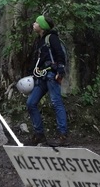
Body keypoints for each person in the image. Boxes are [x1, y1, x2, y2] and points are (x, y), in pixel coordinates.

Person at [25, 15, 69, 146]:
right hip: (42, 76)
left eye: (36, 22)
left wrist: (60, 70)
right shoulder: (40, 40)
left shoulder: (52, 38)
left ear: (42, 26)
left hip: (51, 75)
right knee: (31, 103)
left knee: (56, 102)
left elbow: (59, 54)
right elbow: (39, 59)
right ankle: (39, 134)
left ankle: (63, 135)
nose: (34, 24)